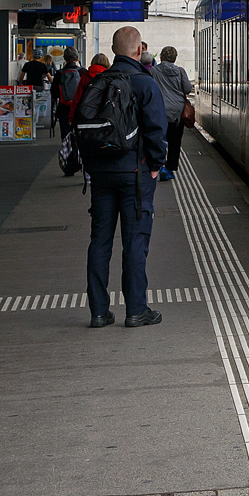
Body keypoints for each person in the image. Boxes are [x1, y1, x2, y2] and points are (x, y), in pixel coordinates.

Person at [83, 26, 168, 329]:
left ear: (113, 48)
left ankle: (98, 312)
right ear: (138, 50)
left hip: (101, 175)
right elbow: (158, 130)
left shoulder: (98, 81)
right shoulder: (145, 83)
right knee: (134, 242)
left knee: (99, 241)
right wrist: (156, 165)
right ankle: (135, 310)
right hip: (135, 174)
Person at [150, 46, 192, 181]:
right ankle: (170, 169)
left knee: (159, 141)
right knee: (175, 143)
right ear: (174, 58)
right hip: (177, 114)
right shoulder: (180, 71)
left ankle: (161, 165)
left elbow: (150, 87)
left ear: (162, 57)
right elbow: (188, 88)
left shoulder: (154, 71)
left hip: (159, 112)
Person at [49, 46, 86, 136]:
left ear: (64, 58)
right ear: (77, 57)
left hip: (64, 108)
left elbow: (54, 92)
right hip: (79, 107)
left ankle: (68, 149)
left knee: (66, 134)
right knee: (80, 133)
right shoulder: (83, 72)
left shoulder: (59, 73)